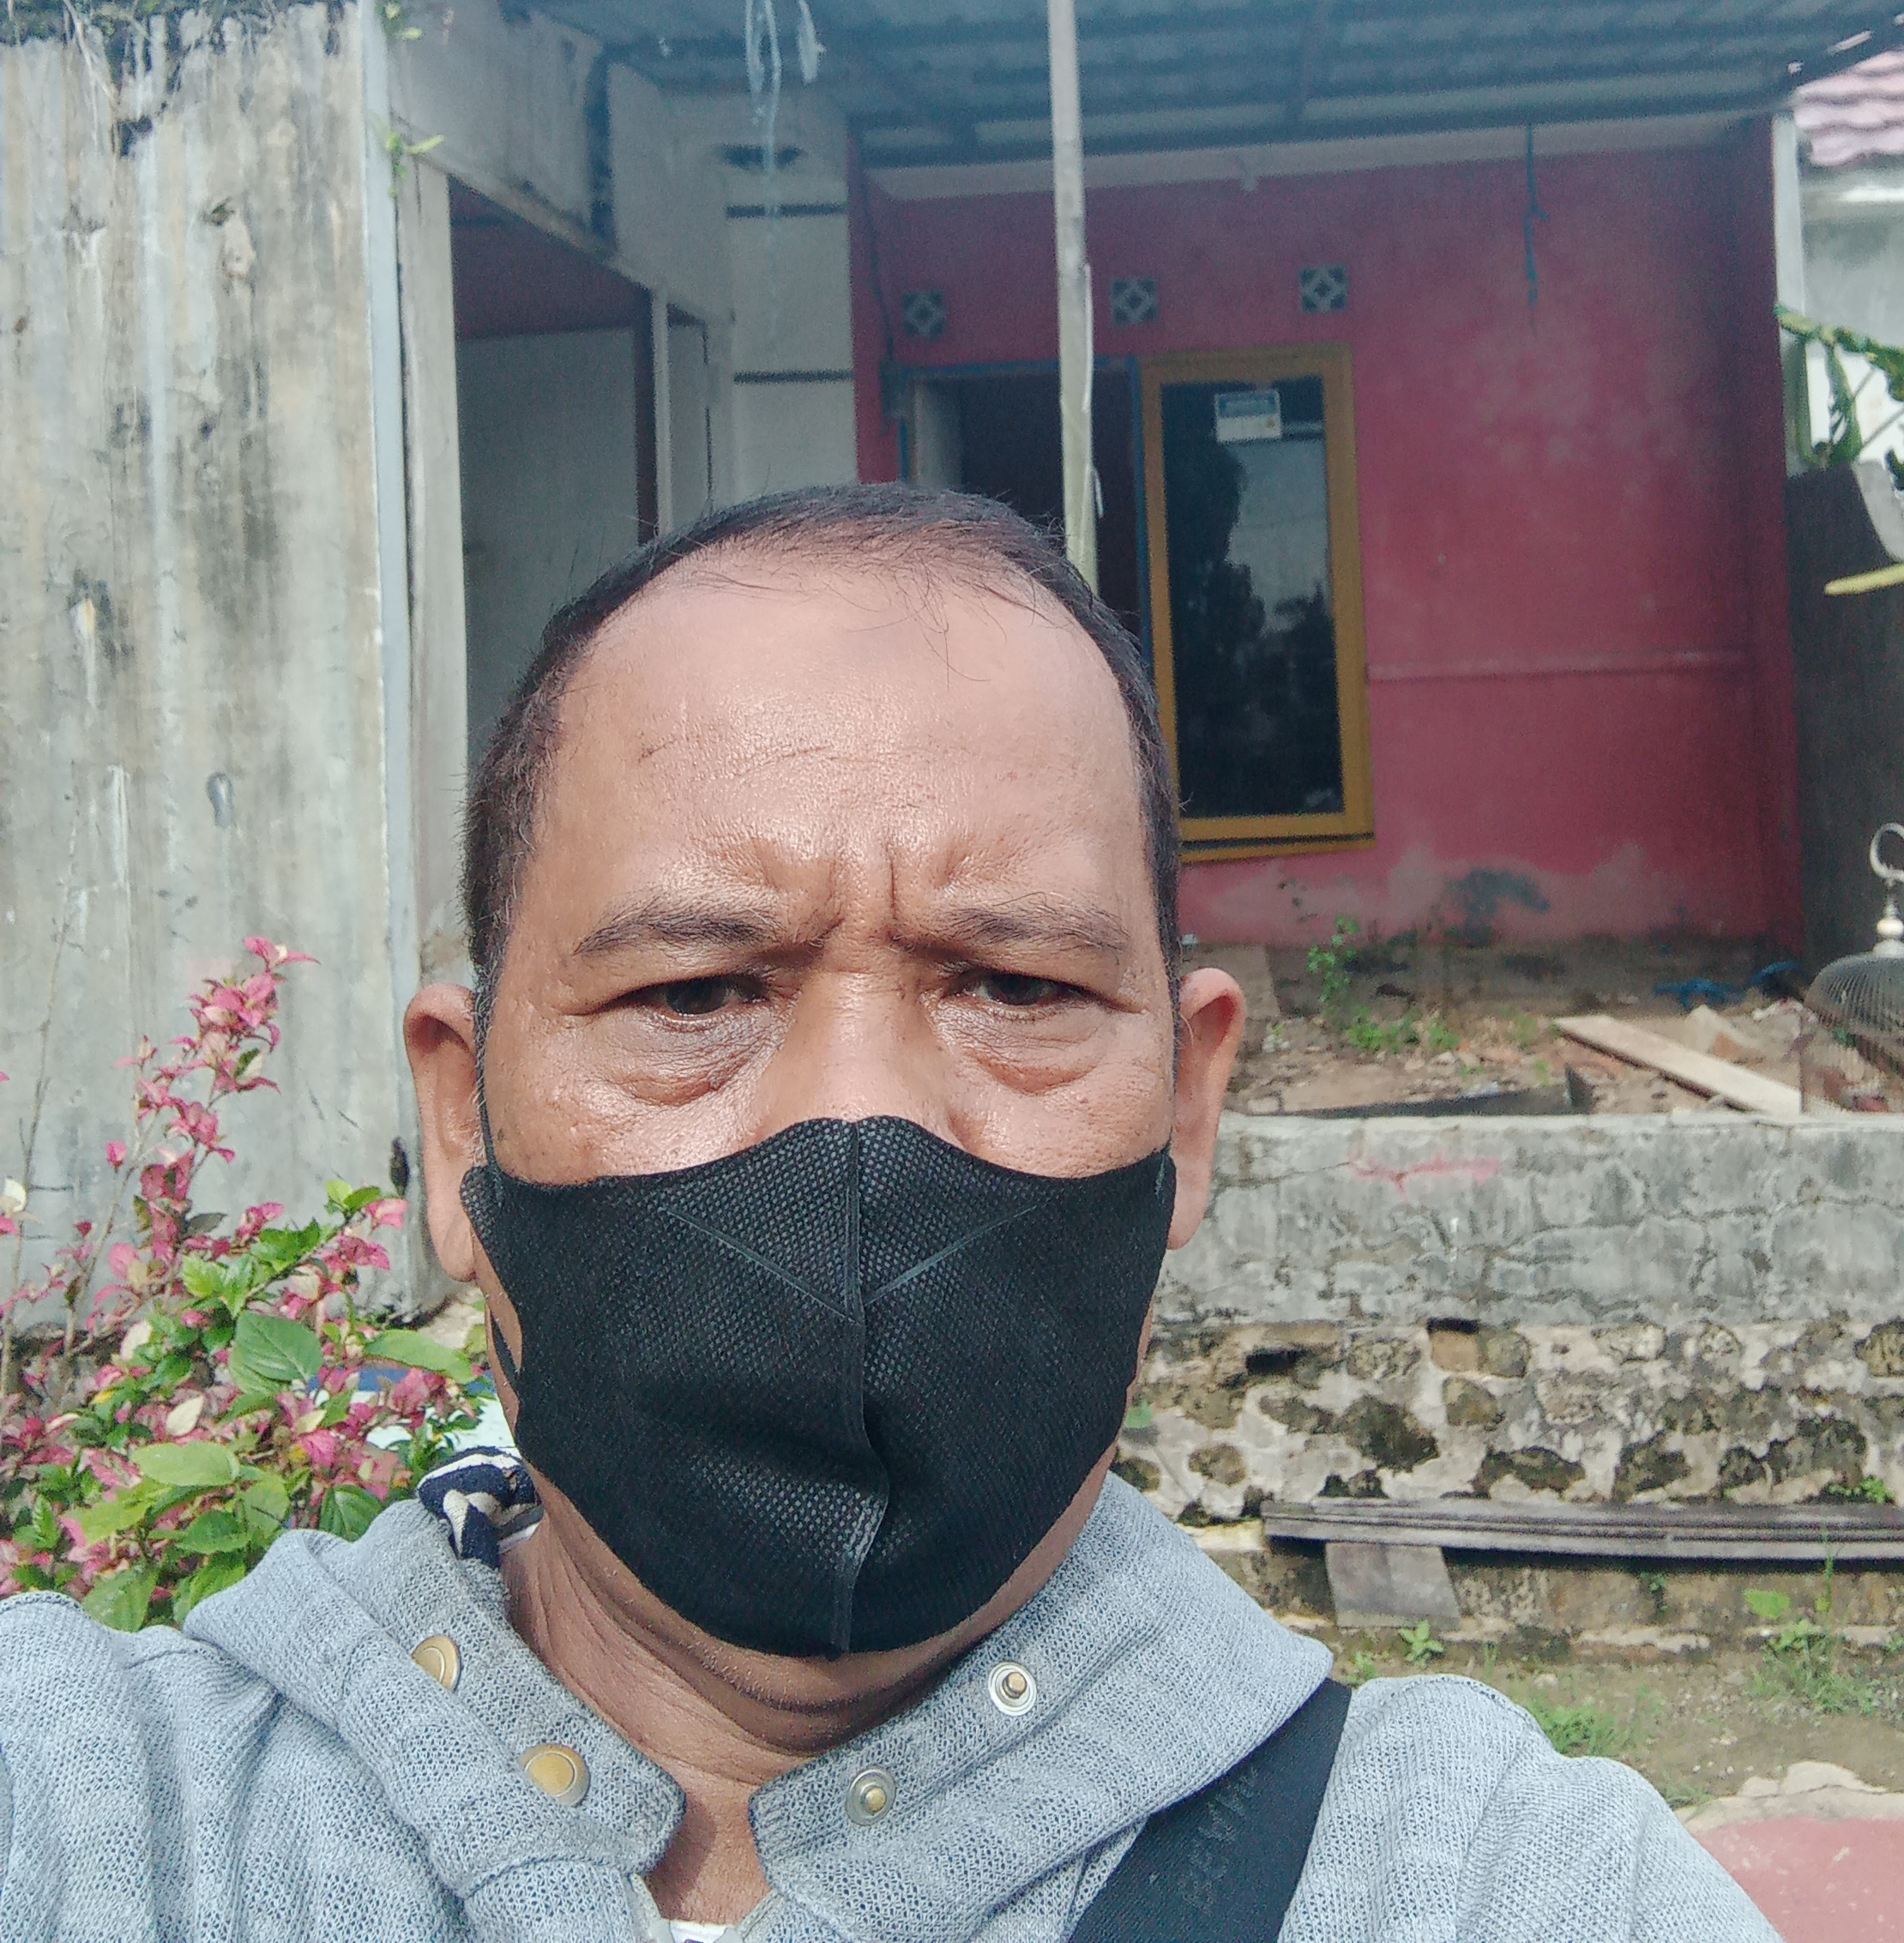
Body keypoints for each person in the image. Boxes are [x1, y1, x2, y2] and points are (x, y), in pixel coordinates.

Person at [0, 485, 1774, 1940]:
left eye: (1015, 987)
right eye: (695, 994)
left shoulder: (1503, 1885)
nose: (860, 1124)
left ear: (1189, 1107)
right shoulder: (96, 1819)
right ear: (464, 1119)